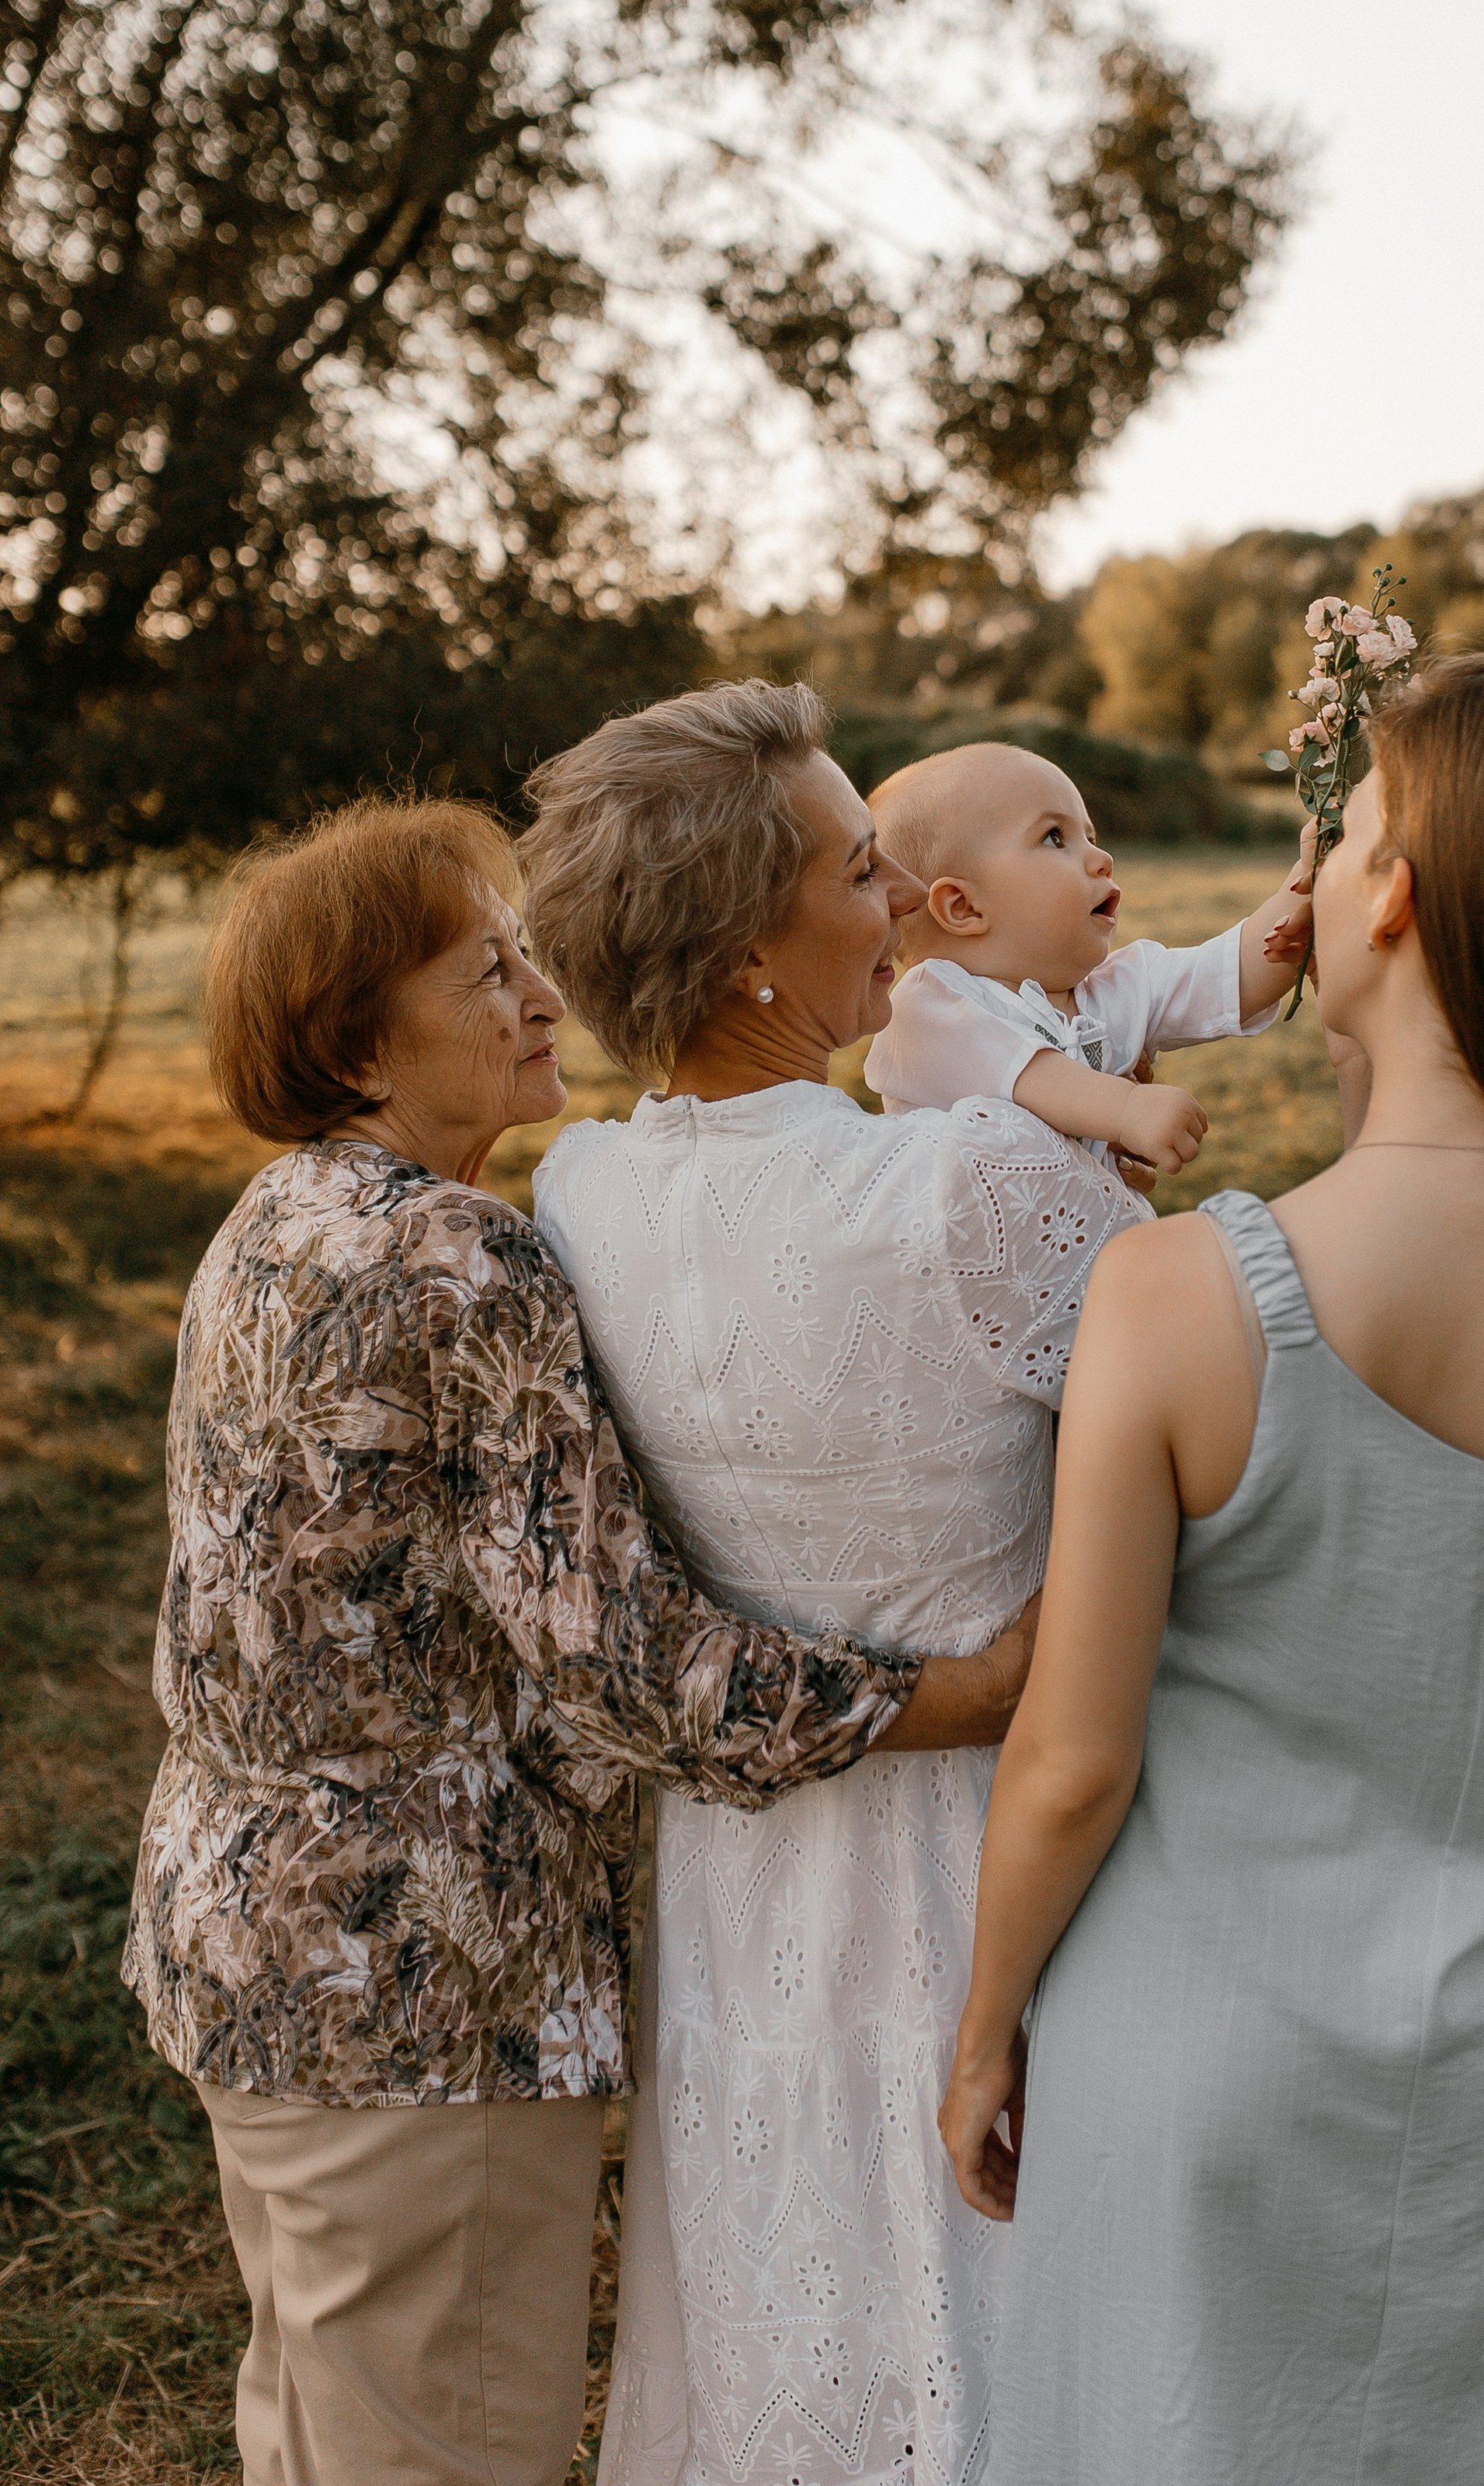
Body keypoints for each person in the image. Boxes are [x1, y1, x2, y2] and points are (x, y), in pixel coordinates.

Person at [940, 652, 1484, 2486]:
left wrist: (983, 2020)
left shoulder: (1180, 1292)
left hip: (1191, 2071)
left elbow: (1070, 1760)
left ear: (1390, 893)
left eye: (1338, 836)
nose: (1303, 876)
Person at [122, 795, 1030, 2486]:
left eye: (526, 957)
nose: (542, 1000)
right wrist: (968, 1689)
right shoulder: (463, 1257)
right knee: (435, 2451)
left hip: (238, 1943)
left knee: (323, 2434)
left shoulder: (277, 1219)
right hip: (415, 1988)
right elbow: (625, 1668)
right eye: (484, 975)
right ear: (357, 1042)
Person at [520, 683, 1149, 2486]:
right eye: (858, 868)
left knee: (787, 2306)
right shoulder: (966, 1186)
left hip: (745, 1855)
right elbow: (1206, 1429)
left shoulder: (576, 1190)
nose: (897, 900)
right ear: (739, 959)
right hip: (1009, 1839)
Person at [864, 739, 1310, 1173]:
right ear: (964, 907)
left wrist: (1306, 887)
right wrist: (1128, 1107)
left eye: (1091, 836)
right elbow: (1029, 1075)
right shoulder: (928, 1006)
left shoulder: (1109, 988)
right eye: (1055, 837)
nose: (1102, 858)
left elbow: (1228, 974)